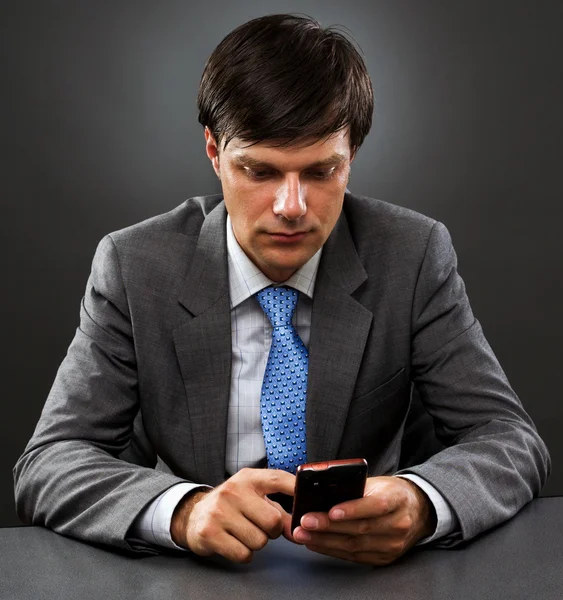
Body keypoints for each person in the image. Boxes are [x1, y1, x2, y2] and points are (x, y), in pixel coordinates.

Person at [14, 13, 550, 567]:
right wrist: (184, 512)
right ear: (214, 152)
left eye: (321, 172)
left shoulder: (412, 256)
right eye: (259, 171)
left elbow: (509, 440)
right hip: (193, 577)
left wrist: (422, 503)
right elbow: (50, 462)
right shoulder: (134, 267)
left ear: (352, 158)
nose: (291, 207)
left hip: (371, 578)